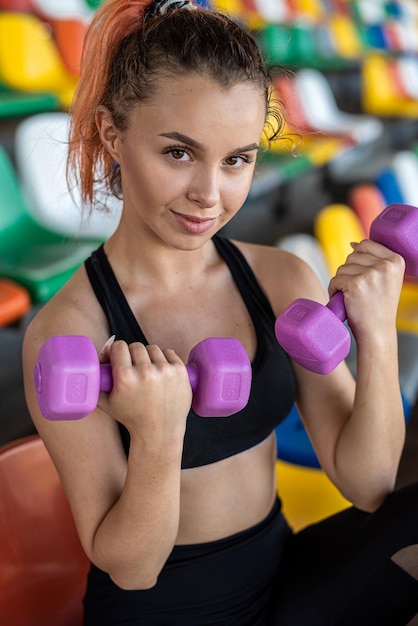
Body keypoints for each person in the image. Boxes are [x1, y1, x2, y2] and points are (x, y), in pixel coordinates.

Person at [22, 0, 418, 624]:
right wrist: (158, 433)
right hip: (167, 608)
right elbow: (132, 567)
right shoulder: (70, 332)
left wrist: (377, 330)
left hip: (279, 571)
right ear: (110, 134)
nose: (210, 195)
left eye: (237, 158)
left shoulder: (280, 277)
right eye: (179, 152)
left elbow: (367, 483)